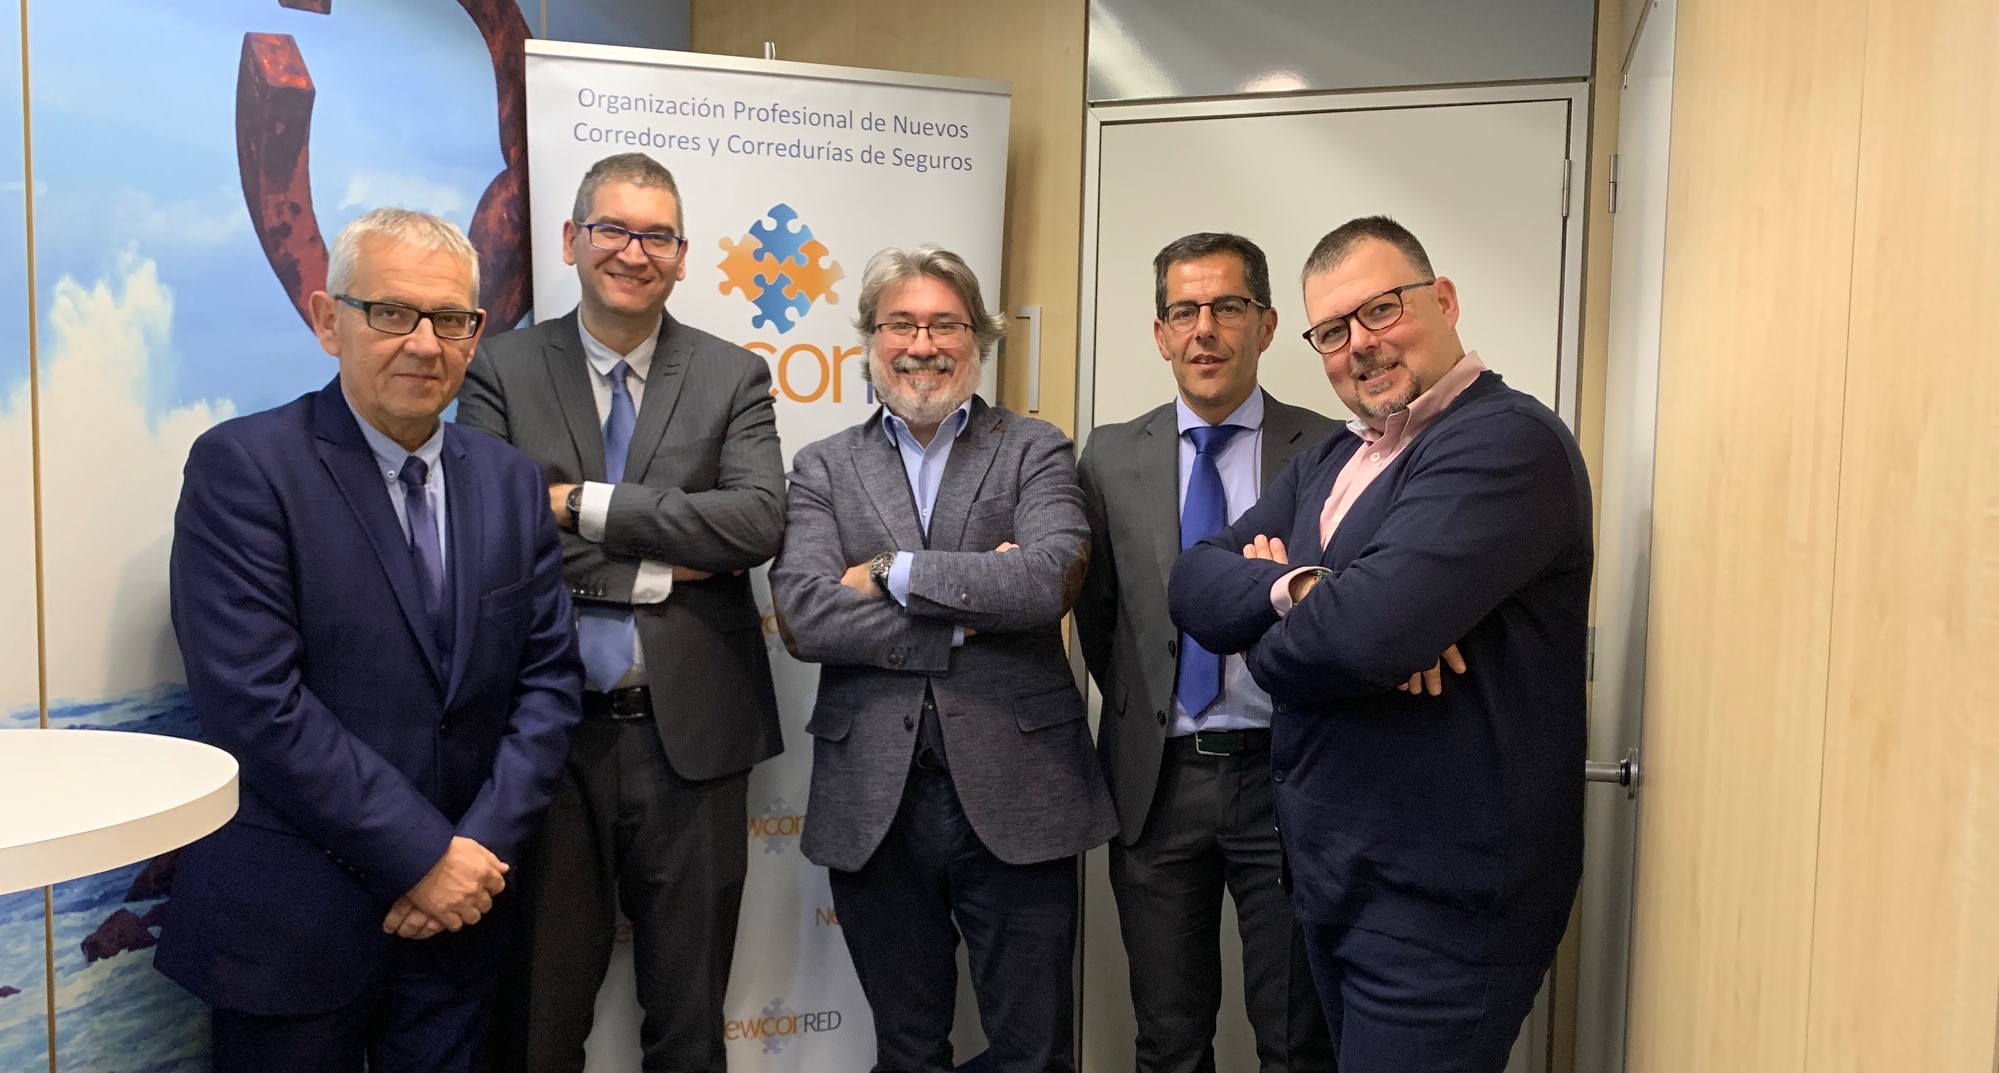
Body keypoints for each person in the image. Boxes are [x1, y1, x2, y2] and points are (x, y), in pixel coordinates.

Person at [156, 207, 583, 1073]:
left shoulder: (509, 481)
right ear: (329, 321)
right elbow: (255, 702)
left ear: (475, 335)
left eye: (451, 319)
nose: (424, 343)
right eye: (391, 312)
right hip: (293, 924)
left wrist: (474, 855)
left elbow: (547, 684)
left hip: (462, 921)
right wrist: (423, 856)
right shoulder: (246, 467)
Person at [1167, 216, 1593, 1073]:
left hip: (1443, 907)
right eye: (1331, 330)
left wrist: (1285, 635)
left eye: (1381, 309)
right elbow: (1192, 582)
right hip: (1341, 886)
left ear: (1443, 300)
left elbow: (1365, 634)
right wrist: (1302, 590)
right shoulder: (1333, 458)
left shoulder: (1504, 440)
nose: (1358, 344)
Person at [453, 152, 786, 1073]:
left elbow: (755, 523)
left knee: (688, 1026)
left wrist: (575, 504)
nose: (633, 253)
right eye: (612, 230)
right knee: (538, 1022)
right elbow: (490, 536)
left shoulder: (731, 375)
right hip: (542, 743)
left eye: (656, 236)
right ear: (571, 239)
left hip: (692, 745)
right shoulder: (499, 367)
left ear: (682, 256)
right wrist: (664, 567)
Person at [769, 244, 1116, 1073]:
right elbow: (805, 615)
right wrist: (962, 617)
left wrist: (888, 572)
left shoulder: (1033, 447)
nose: (921, 345)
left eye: (944, 325)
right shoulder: (822, 465)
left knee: (1034, 1052)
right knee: (907, 1049)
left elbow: (1043, 581)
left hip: (1019, 789)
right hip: (873, 798)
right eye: (901, 324)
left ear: (979, 338)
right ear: (870, 339)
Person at [1074, 232, 1338, 1073]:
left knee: (1296, 1041)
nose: (1204, 329)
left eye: (1227, 307)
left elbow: (1342, 610)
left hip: (1286, 776)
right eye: (1183, 311)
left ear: (1265, 324)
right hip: (1158, 782)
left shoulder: (1328, 450)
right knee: (1168, 1039)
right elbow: (1100, 618)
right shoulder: (1109, 455)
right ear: (1159, 333)